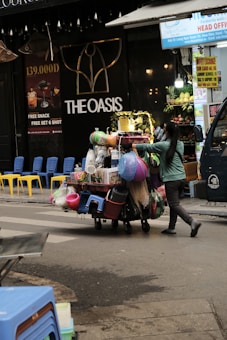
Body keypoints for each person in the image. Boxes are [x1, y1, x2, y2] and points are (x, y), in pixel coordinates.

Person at [123, 121, 201, 237]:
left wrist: (131, 145)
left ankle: (191, 221)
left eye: (165, 130)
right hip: (181, 178)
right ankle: (171, 227)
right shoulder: (179, 144)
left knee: (174, 204)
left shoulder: (164, 145)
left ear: (168, 132)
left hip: (172, 180)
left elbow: (148, 147)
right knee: (174, 203)